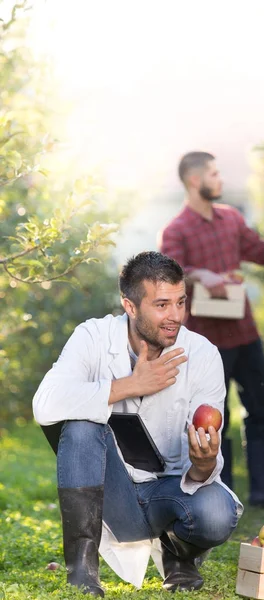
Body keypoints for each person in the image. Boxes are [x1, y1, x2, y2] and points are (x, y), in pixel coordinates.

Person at [33, 251, 242, 597]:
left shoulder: (202, 354)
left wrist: (204, 463)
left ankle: (179, 557)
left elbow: (204, 463)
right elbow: (44, 404)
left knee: (218, 513)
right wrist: (130, 385)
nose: (175, 316)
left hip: (170, 494)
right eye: (161, 305)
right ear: (130, 307)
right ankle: (82, 572)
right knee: (81, 426)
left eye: (180, 302)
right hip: (114, 495)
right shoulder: (94, 337)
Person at [159, 150, 264, 508]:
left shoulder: (230, 218)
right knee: (212, 420)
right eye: (214, 173)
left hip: (245, 333)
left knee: (261, 413)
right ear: (195, 180)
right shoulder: (176, 230)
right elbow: (169, 273)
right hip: (206, 343)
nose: (221, 179)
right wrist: (201, 275)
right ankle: (219, 491)